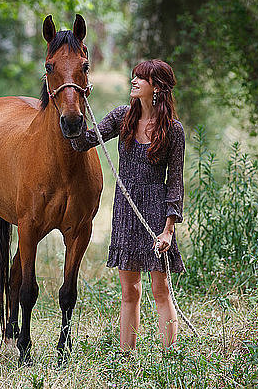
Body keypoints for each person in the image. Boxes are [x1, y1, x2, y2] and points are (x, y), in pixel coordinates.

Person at [71, 59, 185, 350]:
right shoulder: (123, 117)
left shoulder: (173, 130)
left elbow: (175, 182)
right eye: (134, 77)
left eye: (140, 79)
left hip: (156, 214)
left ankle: (170, 358)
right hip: (125, 211)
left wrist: (168, 229)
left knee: (161, 291)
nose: (133, 82)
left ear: (156, 87)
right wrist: (76, 103)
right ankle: (126, 357)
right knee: (129, 291)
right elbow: (84, 141)